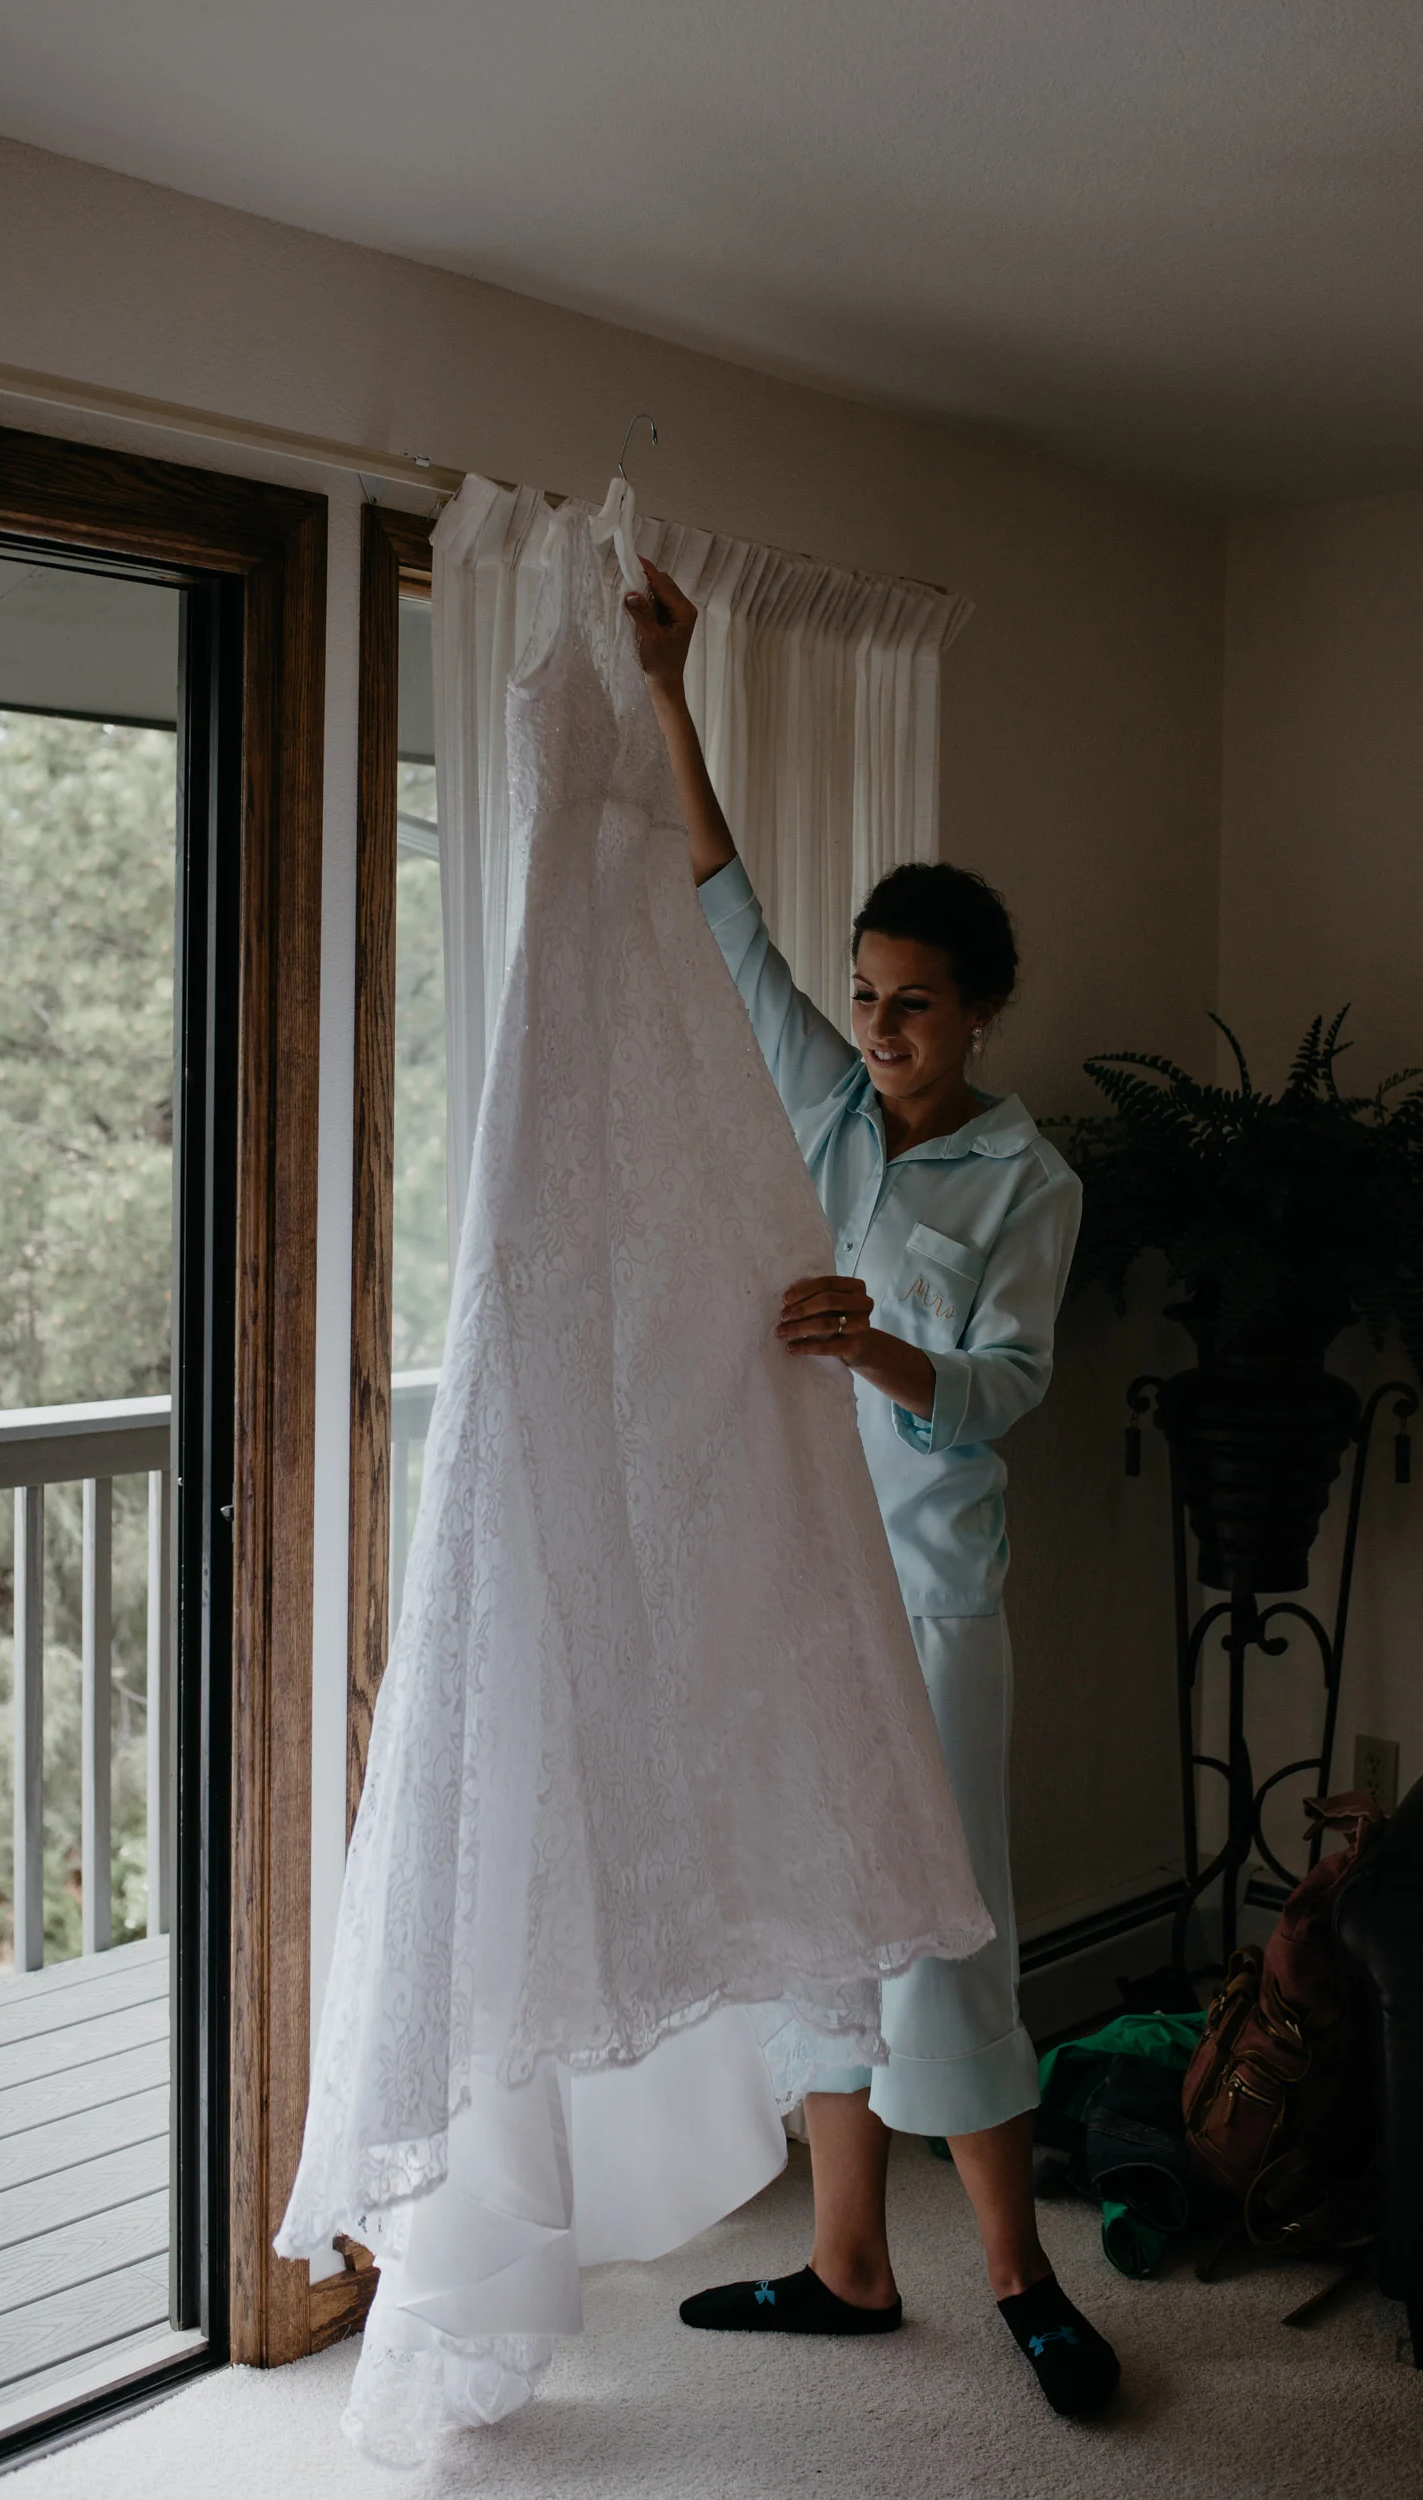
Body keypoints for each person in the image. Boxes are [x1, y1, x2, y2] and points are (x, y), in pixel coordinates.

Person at [624, 558, 1120, 2421]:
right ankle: (844, 2267)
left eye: (914, 1004)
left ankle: (1021, 2278)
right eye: (867, 997)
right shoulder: (827, 1105)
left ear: (979, 1010)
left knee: (946, 1930)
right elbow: (723, 912)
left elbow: (997, 1394)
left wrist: (876, 1349)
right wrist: (676, 691)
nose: (882, 1027)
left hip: (932, 1607)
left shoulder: (1029, 1186)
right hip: (800, 1585)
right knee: (820, 1932)